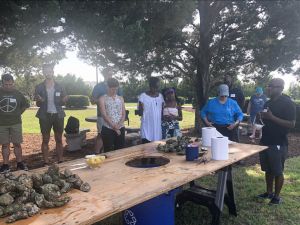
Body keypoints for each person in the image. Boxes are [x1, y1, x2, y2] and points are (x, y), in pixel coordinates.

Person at [257, 78, 296, 205]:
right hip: (265, 141)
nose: (268, 88)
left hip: (278, 142)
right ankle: (269, 193)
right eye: (268, 86)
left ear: (280, 88)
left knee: (278, 171)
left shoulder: (288, 103)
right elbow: (266, 119)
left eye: (271, 86)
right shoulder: (267, 103)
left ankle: (277, 197)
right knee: (268, 170)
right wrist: (261, 119)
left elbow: (291, 124)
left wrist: (271, 117)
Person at [35, 63, 68, 165]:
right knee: (45, 139)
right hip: (45, 116)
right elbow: (37, 104)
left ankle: (60, 159)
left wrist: (65, 100)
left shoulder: (60, 86)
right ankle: (46, 161)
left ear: (53, 72)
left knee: (59, 139)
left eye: (49, 71)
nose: (47, 73)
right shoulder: (39, 87)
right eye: (45, 71)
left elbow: (63, 101)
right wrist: (39, 100)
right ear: (43, 73)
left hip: (58, 115)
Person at [0, 74, 29, 173]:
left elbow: (25, 105)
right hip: (2, 124)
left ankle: (20, 163)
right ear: (2, 83)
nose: (8, 86)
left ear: (13, 83)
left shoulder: (18, 94)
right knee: (5, 145)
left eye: (10, 84)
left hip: (16, 123)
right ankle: (5, 165)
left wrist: (17, 113)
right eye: (6, 84)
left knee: (17, 144)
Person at [91, 67, 122, 154]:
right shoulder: (98, 87)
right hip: (102, 116)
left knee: (115, 136)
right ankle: (97, 154)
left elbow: (121, 99)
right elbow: (92, 100)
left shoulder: (117, 85)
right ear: (104, 75)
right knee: (101, 135)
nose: (110, 76)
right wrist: (103, 101)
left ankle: (111, 155)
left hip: (116, 118)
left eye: (111, 74)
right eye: (109, 74)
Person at [99, 78, 126, 152]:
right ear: (107, 87)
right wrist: (115, 127)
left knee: (120, 151)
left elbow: (123, 114)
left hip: (121, 128)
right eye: (112, 89)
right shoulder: (102, 99)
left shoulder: (121, 98)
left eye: (116, 89)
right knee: (109, 152)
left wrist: (119, 126)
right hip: (108, 129)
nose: (114, 91)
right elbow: (104, 115)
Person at [137, 77, 164, 143]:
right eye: (154, 87)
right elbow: (140, 113)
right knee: (146, 148)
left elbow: (162, 111)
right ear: (150, 86)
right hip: (147, 127)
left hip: (157, 128)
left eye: (157, 87)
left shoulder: (160, 96)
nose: (156, 89)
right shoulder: (143, 96)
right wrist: (141, 108)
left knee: (157, 148)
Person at [224, 75, 245, 142]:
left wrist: (239, 109)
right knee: (226, 132)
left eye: (228, 81)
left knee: (234, 133)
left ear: (232, 81)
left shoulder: (237, 90)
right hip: (225, 116)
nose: (227, 83)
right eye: (225, 81)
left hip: (235, 116)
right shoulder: (223, 90)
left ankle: (236, 145)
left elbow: (242, 100)